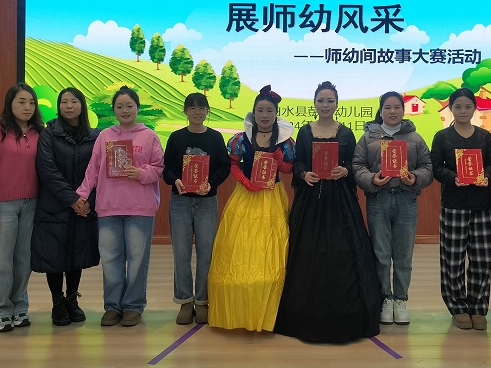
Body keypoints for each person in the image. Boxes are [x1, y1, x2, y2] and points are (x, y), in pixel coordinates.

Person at [275, 82, 381, 342]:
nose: (325, 105)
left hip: (340, 201)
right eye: (321, 100)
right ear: (314, 103)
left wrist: (345, 170)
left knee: (342, 251)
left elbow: (353, 163)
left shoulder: (346, 133)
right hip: (310, 200)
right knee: (306, 251)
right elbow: (298, 162)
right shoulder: (304, 132)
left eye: (330, 101)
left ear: (337, 104)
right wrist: (303, 173)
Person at [208, 85, 296, 332]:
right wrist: (244, 181)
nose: (265, 115)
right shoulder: (241, 138)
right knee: (239, 247)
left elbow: (289, 169)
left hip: (271, 197)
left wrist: (280, 161)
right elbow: (233, 164)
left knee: (270, 248)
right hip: (245, 196)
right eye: (260, 110)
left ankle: (270, 310)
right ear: (253, 113)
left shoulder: (285, 141)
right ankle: (239, 309)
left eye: (269, 111)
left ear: (276, 114)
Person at [76, 86, 164, 328]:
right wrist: (82, 194)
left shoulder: (149, 136)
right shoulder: (105, 136)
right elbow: (93, 168)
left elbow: (159, 168)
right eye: (119, 106)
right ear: (114, 110)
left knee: (137, 259)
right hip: (109, 207)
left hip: (140, 208)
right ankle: (113, 306)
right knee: (111, 259)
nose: (125, 110)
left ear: (137, 108)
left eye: (129, 106)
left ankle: (133, 306)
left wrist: (141, 173)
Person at [352, 91, 433, 326]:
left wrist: (415, 178)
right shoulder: (368, 138)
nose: (392, 111)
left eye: (397, 107)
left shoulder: (415, 138)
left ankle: (400, 299)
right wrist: (372, 179)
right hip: (379, 200)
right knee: (380, 253)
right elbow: (358, 165)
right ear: (381, 111)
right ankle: (385, 299)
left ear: (403, 110)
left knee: (404, 254)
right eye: (387, 107)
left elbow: (427, 166)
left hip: (407, 200)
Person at [0, 82, 44, 332]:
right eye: (21, 102)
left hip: (32, 204)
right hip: (3, 206)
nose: (27, 107)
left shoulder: (39, 133)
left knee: (24, 259)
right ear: (10, 104)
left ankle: (19, 307)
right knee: (2, 261)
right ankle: (0, 311)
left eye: (31, 102)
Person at [31, 87, 100, 326]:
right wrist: (72, 199)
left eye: (74, 101)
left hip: (84, 206)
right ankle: (57, 302)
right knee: (54, 256)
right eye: (64, 102)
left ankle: (72, 298)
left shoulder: (95, 136)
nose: (69, 106)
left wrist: (88, 200)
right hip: (55, 204)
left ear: (82, 105)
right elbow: (47, 170)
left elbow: (98, 171)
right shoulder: (49, 133)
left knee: (76, 252)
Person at [162, 93, 231, 325]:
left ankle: (202, 301)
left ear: (207, 111)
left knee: (206, 253)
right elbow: (166, 168)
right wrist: (175, 180)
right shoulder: (176, 137)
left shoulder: (215, 137)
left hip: (207, 202)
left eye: (201, 107)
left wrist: (211, 183)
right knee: (181, 253)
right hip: (180, 202)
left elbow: (224, 167)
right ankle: (184, 301)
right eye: (192, 108)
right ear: (185, 111)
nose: (197, 112)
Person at [430, 87, 491, 331]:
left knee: (481, 259)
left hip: (481, 206)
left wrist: (486, 176)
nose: (463, 111)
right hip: (453, 204)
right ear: (451, 109)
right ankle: (457, 306)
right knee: (453, 258)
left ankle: (478, 307)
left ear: (474, 108)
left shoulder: (485, 137)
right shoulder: (442, 136)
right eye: (458, 107)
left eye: (468, 106)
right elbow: (436, 167)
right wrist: (453, 177)